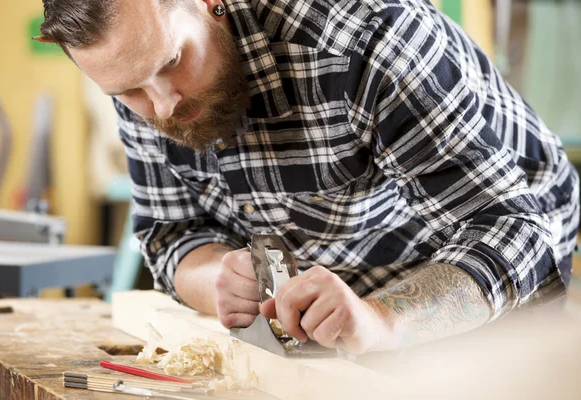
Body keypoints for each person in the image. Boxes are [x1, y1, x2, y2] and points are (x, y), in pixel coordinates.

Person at [38, 0, 579, 355]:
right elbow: (170, 234)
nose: (163, 105)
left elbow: (515, 235)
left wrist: (384, 319)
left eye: (172, 62)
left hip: (494, 266)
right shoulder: (138, 72)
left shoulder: (366, 39)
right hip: (350, 277)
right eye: (129, 91)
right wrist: (217, 280)